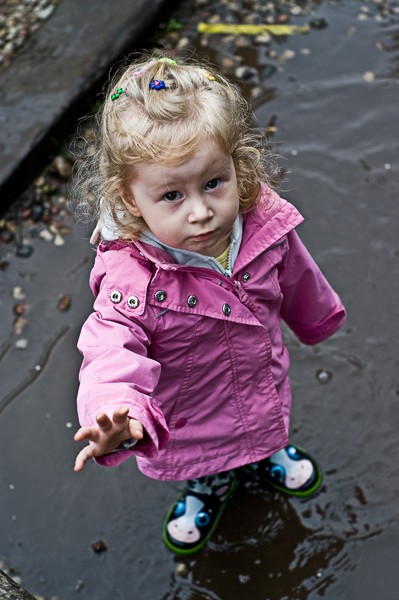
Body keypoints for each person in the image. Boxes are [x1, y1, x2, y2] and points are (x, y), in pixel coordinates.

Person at [73, 53, 346, 555]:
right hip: (189, 408)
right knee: (204, 456)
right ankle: (208, 487)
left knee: (262, 420)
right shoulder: (131, 277)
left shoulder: (261, 223)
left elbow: (296, 271)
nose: (201, 212)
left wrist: (315, 316)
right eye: (172, 195)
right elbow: (110, 344)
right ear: (131, 200)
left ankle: (266, 454)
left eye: (213, 183)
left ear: (238, 166)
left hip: (257, 374)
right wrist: (117, 405)